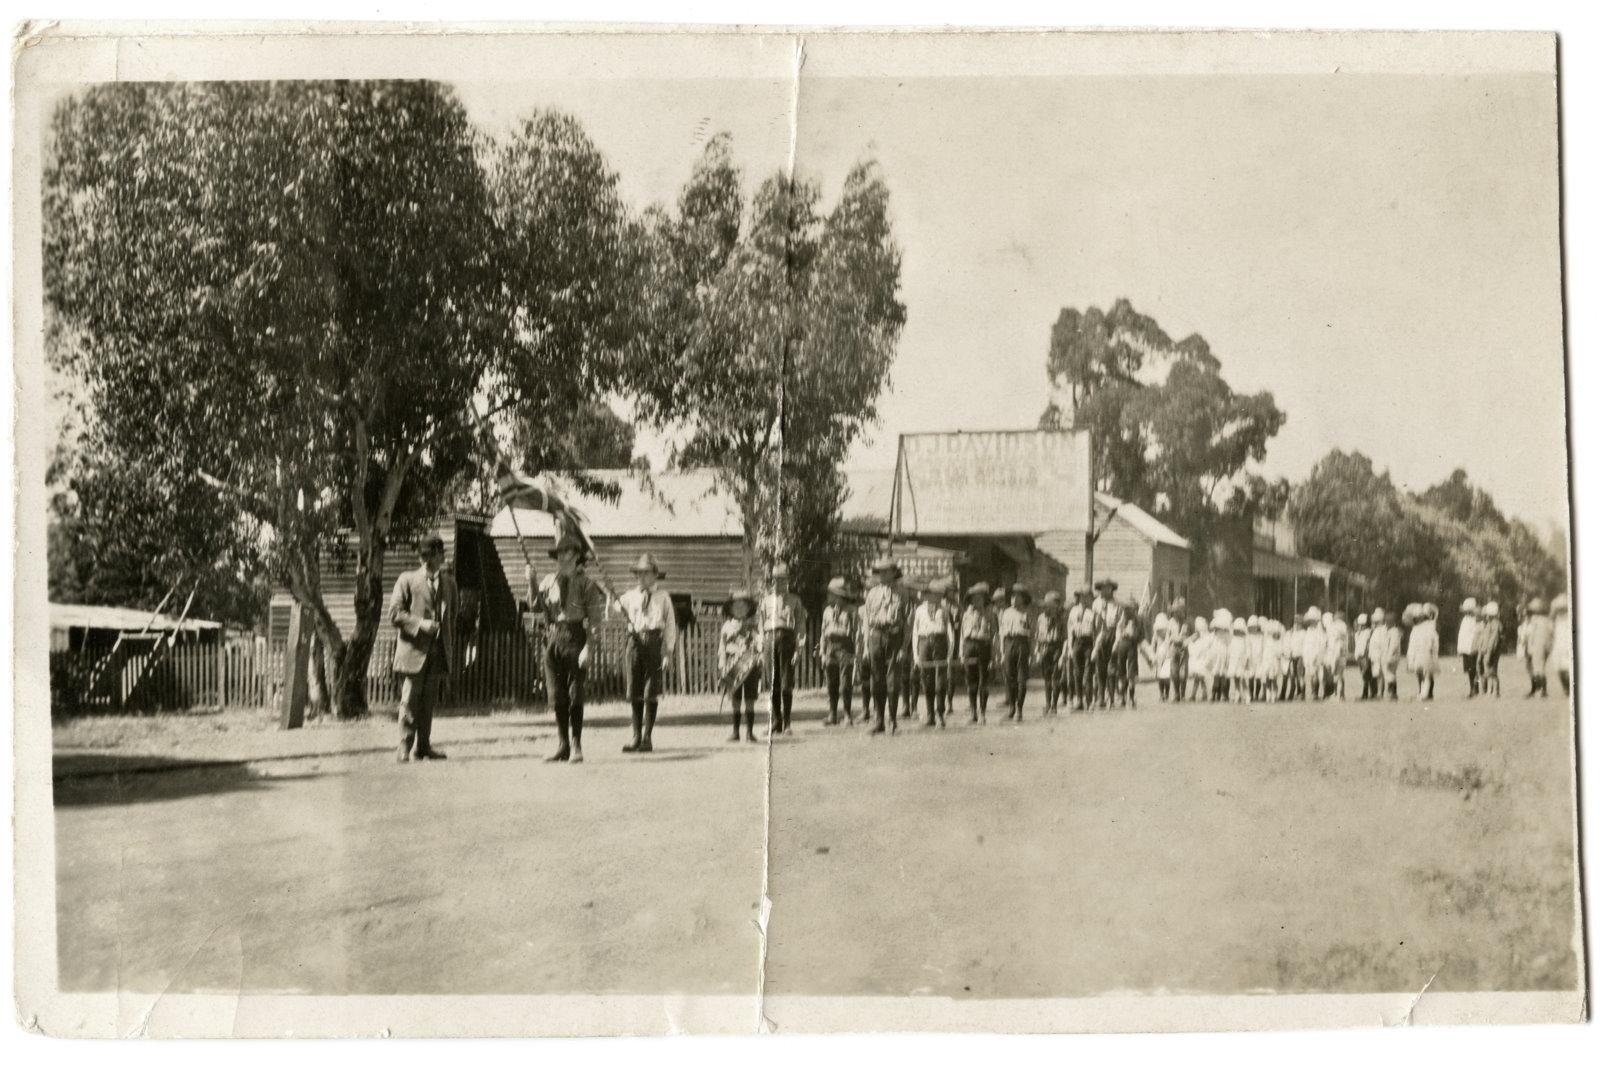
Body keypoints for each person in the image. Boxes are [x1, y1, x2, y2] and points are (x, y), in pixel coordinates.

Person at [530, 533, 607, 763]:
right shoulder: (548, 581)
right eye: (559, 554)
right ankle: (562, 745)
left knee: (575, 693)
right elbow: (535, 605)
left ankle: (576, 745)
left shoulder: (587, 584)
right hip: (554, 637)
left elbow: (594, 620)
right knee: (557, 694)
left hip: (576, 638)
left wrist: (588, 649)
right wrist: (531, 581)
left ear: (576, 557)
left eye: (566, 553)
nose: (561, 558)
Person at [388, 533, 457, 763]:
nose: (426, 561)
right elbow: (395, 614)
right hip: (413, 652)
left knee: (428, 702)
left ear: (441, 556)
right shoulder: (406, 580)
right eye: (424, 556)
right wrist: (420, 624)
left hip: (437, 653)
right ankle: (404, 747)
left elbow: (452, 618)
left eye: (432, 556)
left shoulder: (449, 583)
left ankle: (424, 747)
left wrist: (446, 643)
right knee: (409, 700)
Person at [618, 552, 679, 753]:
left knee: (649, 691)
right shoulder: (630, 596)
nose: (642, 577)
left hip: (654, 643)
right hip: (634, 643)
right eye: (639, 573)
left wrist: (668, 651)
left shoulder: (663, 598)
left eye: (646, 573)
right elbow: (614, 610)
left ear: (655, 574)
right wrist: (612, 599)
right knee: (635, 690)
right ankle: (635, 736)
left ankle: (647, 738)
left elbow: (670, 626)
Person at [862, 558, 915, 734]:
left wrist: (904, 647)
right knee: (876, 680)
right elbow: (866, 622)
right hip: (876, 637)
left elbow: (908, 623)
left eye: (886, 571)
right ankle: (879, 721)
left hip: (894, 637)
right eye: (880, 572)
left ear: (894, 572)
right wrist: (865, 647)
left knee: (893, 681)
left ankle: (892, 720)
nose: (882, 575)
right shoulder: (872, 594)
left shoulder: (903, 593)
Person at [759, 563, 807, 736]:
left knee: (786, 683)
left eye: (781, 580)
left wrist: (799, 648)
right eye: (775, 580)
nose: (778, 583)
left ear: (788, 580)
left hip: (787, 640)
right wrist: (760, 646)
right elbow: (760, 625)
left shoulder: (795, 600)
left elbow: (800, 626)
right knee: (772, 683)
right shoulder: (765, 600)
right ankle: (775, 722)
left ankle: (787, 723)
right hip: (769, 640)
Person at [719, 589, 762, 742]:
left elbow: (759, 643)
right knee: (736, 700)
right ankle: (735, 732)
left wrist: (758, 654)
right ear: (730, 609)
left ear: (749, 608)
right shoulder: (727, 626)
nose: (739, 609)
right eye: (736, 606)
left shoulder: (754, 625)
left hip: (749, 665)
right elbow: (722, 647)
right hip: (733, 666)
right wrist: (722, 664)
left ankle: (750, 732)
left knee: (750, 699)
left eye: (743, 606)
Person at [818, 576, 861, 726]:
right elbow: (823, 632)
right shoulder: (827, 612)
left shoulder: (851, 611)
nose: (828, 596)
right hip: (831, 647)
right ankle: (833, 714)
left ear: (839, 595)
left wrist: (857, 653)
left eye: (831, 593)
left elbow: (856, 633)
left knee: (845, 683)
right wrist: (822, 652)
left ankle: (847, 714)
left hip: (845, 647)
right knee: (831, 682)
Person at [913, 578, 956, 727]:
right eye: (931, 594)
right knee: (926, 680)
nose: (934, 597)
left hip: (940, 642)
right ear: (925, 595)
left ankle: (940, 714)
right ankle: (930, 714)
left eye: (938, 595)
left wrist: (950, 652)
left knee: (940, 681)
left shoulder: (944, 610)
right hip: (924, 643)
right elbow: (915, 633)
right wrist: (916, 654)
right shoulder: (919, 611)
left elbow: (950, 632)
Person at [962, 582, 998, 722]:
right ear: (970, 600)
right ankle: (973, 712)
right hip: (969, 646)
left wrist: (994, 654)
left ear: (984, 599)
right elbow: (962, 636)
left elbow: (995, 635)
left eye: (980, 598)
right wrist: (961, 652)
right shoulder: (966, 614)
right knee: (971, 681)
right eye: (974, 598)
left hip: (984, 647)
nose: (977, 601)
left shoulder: (990, 614)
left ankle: (982, 712)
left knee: (983, 681)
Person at [999, 585, 1034, 719]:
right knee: (1009, 677)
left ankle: (1019, 708)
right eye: (1012, 596)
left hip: (1022, 644)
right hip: (1009, 643)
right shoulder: (1006, 613)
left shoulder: (1027, 613)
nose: (1014, 599)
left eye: (1017, 596)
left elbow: (1032, 634)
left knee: (1021, 679)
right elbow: (1002, 633)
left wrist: (1031, 653)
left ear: (1023, 598)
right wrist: (1002, 652)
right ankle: (1012, 706)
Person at [1064, 587, 1096, 711]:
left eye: (1086, 596)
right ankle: (1079, 700)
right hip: (1077, 642)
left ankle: (1089, 700)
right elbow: (1070, 629)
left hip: (1088, 643)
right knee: (1077, 673)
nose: (1084, 599)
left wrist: (1094, 649)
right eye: (1082, 596)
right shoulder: (1073, 611)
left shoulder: (1092, 612)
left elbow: (1095, 632)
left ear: (1090, 598)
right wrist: (1071, 647)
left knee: (1088, 673)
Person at [1034, 591, 1066, 714]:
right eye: (1046, 605)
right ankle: (1048, 704)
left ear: (1056, 606)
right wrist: (1037, 651)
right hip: (1044, 647)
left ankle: (1054, 705)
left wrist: (1063, 654)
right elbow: (1037, 635)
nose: (1047, 607)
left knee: (1056, 677)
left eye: (1051, 605)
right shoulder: (1041, 618)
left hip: (1057, 647)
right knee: (1047, 678)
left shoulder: (1061, 619)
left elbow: (1065, 638)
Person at [1407, 603, 1440, 701]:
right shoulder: (1416, 629)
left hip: (1426, 652)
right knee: (1420, 672)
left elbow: (1433, 640)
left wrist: (1431, 651)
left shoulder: (1429, 626)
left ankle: (1427, 693)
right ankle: (1422, 692)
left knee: (1427, 674)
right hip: (1418, 653)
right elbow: (1412, 644)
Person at [1523, 598, 1554, 697]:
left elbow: (1530, 634)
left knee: (1536, 668)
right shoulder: (1548, 620)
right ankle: (1540, 690)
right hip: (1545, 646)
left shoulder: (1534, 620)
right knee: (1539, 668)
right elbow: (1552, 634)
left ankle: (1539, 690)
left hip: (1536, 645)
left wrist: (1529, 646)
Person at [1475, 601, 1503, 698]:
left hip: (1492, 651)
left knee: (1492, 670)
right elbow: (1485, 638)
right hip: (1487, 650)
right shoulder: (1490, 623)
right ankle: (1491, 691)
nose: (1485, 615)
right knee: (1489, 670)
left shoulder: (1495, 624)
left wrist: (1489, 652)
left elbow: (1493, 639)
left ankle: (1495, 691)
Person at [1550, 594, 1572, 697]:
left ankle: (1568, 689)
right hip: (1558, 645)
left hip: (1566, 645)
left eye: (1563, 609)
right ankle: (1566, 688)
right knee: (1559, 668)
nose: (1561, 611)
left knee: (1566, 668)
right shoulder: (1556, 620)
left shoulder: (1569, 619)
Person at [1457, 598, 1481, 697]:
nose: (1468, 612)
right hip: (1466, 648)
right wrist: (1460, 649)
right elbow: (1462, 635)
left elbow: (1476, 634)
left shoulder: (1475, 620)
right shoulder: (1465, 620)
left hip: (1473, 648)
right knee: (1469, 669)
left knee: (1474, 669)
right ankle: (1472, 688)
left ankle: (1475, 689)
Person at [1187, 615, 1213, 702]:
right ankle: (1199, 694)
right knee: (1199, 678)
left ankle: (1206, 694)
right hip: (1198, 660)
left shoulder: (1208, 637)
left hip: (1204, 659)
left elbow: (1208, 648)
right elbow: (1190, 643)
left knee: (1203, 678)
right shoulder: (1197, 636)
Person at [1352, 613, 1374, 699]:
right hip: (1359, 656)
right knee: (1364, 675)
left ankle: (1367, 693)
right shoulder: (1357, 634)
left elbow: (1368, 645)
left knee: (1366, 674)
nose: (1360, 626)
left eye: (1362, 625)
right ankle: (1368, 693)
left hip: (1365, 656)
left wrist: (1366, 654)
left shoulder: (1368, 632)